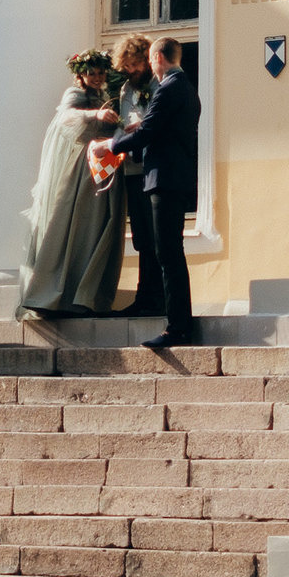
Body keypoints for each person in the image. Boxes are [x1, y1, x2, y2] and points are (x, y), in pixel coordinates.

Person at [103, 34, 199, 350]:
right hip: (171, 176)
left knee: (168, 254)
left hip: (165, 178)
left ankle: (177, 327)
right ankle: (177, 324)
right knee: (167, 251)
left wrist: (110, 145)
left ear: (155, 58)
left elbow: (148, 130)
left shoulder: (170, 88)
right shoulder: (184, 88)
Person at [18, 50, 127, 317]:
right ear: (81, 75)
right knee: (79, 225)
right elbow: (65, 118)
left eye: (101, 73)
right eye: (92, 73)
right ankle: (63, 294)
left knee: (103, 226)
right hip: (85, 168)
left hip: (106, 164)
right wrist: (94, 117)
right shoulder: (75, 95)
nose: (98, 78)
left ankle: (90, 294)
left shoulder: (104, 95)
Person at [107, 34, 163, 317]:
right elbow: (124, 121)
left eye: (134, 64)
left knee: (156, 236)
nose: (130, 70)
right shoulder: (127, 88)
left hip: (152, 167)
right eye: (126, 65)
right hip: (131, 167)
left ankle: (157, 297)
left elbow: (157, 122)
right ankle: (144, 296)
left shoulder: (159, 84)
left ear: (146, 59)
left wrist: (141, 127)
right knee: (141, 236)